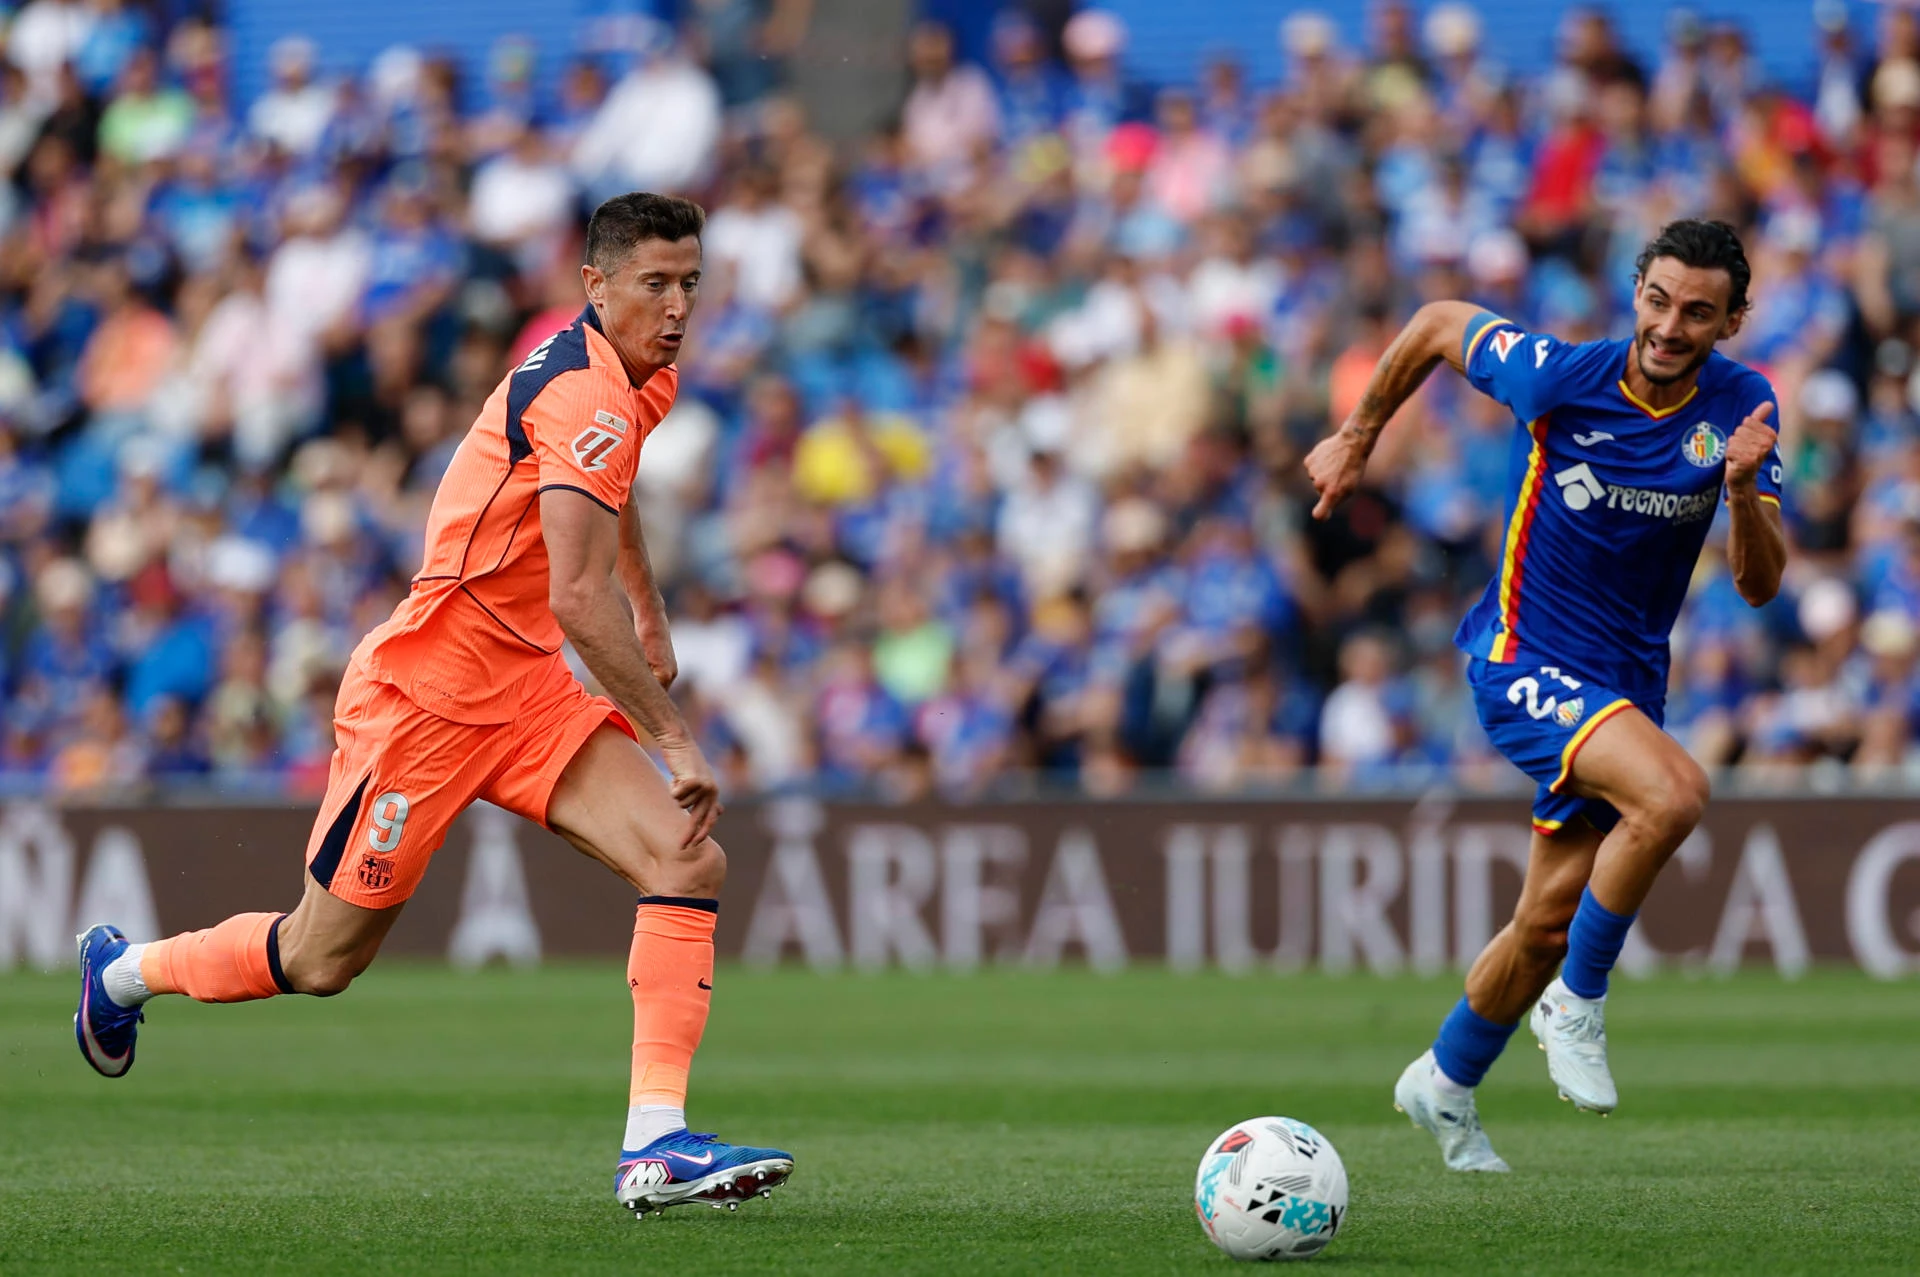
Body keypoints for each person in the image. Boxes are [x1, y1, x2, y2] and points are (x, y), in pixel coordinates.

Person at [73, 193, 794, 1217]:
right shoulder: (583, 392)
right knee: (321, 957)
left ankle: (655, 1142)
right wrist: (672, 734)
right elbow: (574, 596)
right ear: (596, 287)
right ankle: (125, 972)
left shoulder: (641, 381)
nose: (677, 306)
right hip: (426, 700)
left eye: (691, 284)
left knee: (685, 857)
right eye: (655, 284)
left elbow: (612, 495)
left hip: (525, 689)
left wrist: (652, 602)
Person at [1305, 219, 1786, 1172]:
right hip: (1523, 660)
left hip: (1622, 690)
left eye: (1698, 311)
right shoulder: (1561, 376)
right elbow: (1442, 320)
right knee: (1677, 794)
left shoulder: (1744, 405)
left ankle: (1444, 1080)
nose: (1669, 325)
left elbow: (1762, 583)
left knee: (1545, 920)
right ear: (1635, 291)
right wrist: (1359, 435)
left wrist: (1738, 490)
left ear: (1732, 321)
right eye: (1657, 299)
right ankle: (1581, 998)